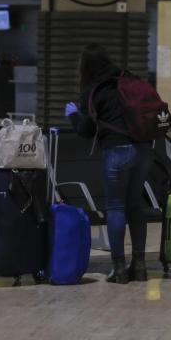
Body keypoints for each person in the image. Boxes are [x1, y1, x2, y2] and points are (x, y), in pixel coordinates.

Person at [66, 43, 153, 284]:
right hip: (145, 150)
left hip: (117, 151)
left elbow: (86, 130)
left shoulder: (94, 89)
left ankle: (119, 269)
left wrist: (73, 114)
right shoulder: (128, 80)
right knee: (135, 206)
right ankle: (141, 266)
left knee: (116, 207)